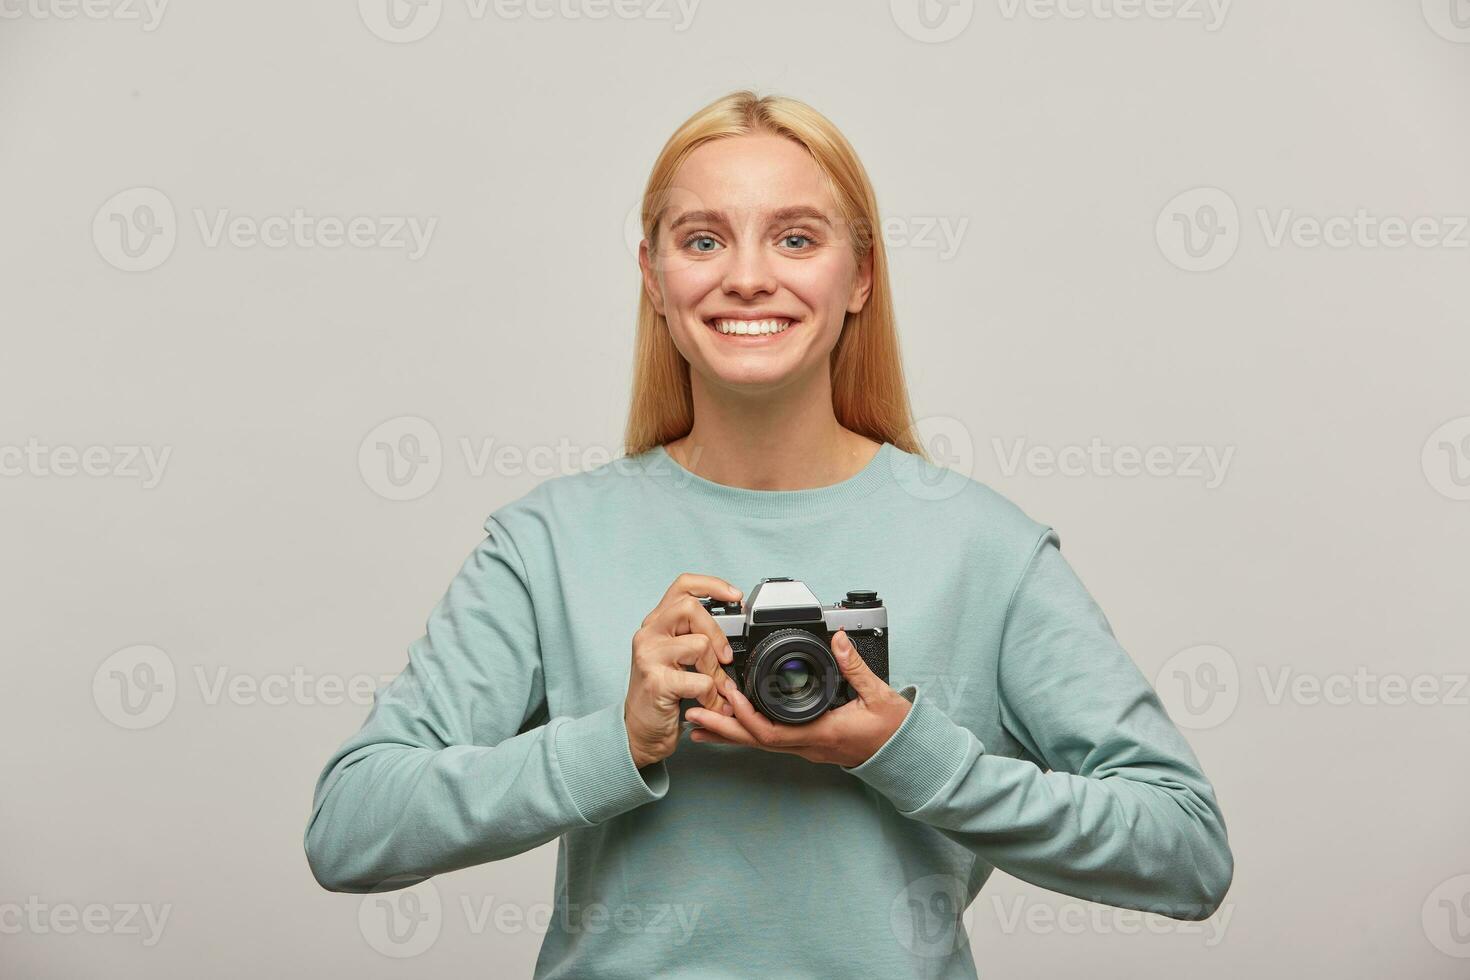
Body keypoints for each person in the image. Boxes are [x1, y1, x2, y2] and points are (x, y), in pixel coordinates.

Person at [304, 89, 1233, 978]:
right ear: (654, 278)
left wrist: (901, 749)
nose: (747, 276)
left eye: (796, 237)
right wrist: (616, 741)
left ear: (861, 275)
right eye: (702, 239)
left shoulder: (983, 548)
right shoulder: (549, 541)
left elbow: (1186, 850)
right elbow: (350, 829)